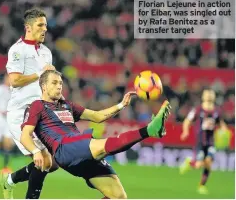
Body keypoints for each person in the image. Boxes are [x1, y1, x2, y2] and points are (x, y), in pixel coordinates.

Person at [19, 70, 171, 199]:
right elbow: (25, 135)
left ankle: (150, 130)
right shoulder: (37, 106)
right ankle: (149, 130)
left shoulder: (67, 105)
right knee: (104, 146)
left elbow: (97, 116)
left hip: (77, 150)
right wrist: (36, 151)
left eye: (60, 83)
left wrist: (121, 105)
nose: (59, 86)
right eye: (54, 83)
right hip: (63, 148)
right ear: (43, 86)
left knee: (118, 196)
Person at [0, 8, 59, 199]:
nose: (44, 29)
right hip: (21, 114)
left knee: (54, 163)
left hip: (41, 113)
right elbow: (14, 80)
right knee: (44, 160)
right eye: (40, 25)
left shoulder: (46, 53)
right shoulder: (17, 50)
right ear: (28, 28)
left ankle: (9, 180)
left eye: (46, 25)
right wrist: (40, 73)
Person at [180, 88, 228, 195]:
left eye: (211, 93)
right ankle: (189, 162)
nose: (209, 95)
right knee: (198, 165)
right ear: (203, 97)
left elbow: (220, 123)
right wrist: (185, 131)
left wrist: (224, 130)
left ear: (214, 97)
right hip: (200, 141)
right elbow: (187, 120)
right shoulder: (198, 109)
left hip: (211, 142)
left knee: (209, 163)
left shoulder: (217, 111)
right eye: (207, 94)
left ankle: (202, 186)